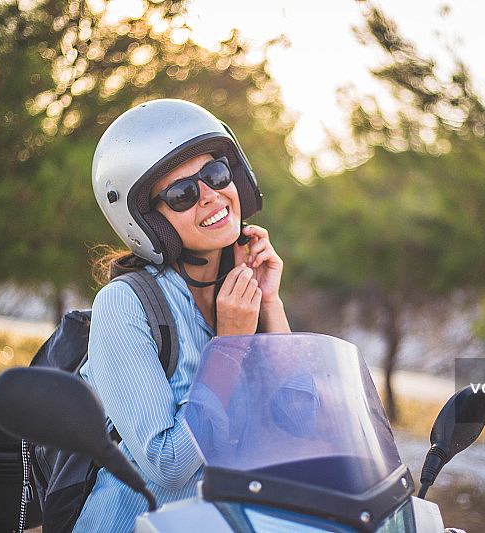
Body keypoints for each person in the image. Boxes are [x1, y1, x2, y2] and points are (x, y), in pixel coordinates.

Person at [73, 99, 291, 532]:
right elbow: (168, 465)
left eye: (215, 175)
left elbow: (298, 425)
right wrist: (228, 347)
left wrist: (270, 305)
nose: (211, 196)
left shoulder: (241, 295)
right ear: (147, 221)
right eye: (181, 193)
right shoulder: (125, 305)